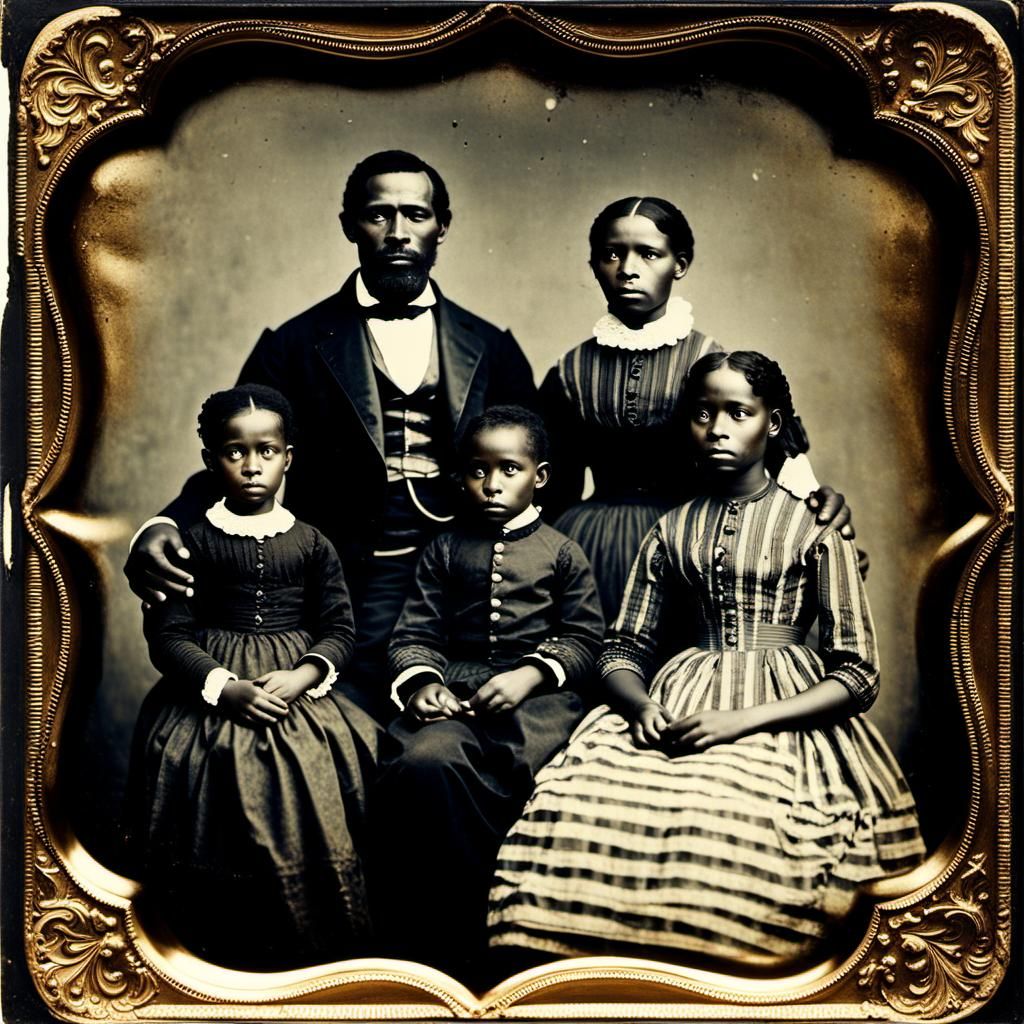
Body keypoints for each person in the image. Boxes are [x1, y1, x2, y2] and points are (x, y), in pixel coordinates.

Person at [489, 352, 925, 968]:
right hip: (680, 691)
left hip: (783, 708)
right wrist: (639, 705)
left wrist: (741, 721)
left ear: (771, 425)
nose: (717, 428)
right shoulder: (671, 529)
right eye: (702, 414)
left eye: (738, 413)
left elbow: (858, 674)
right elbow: (623, 647)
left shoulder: (814, 528)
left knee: (732, 822)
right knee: (592, 806)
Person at [124, 151, 537, 721]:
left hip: (465, 577)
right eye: (378, 215)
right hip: (351, 578)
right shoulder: (292, 345)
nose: (398, 233)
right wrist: (166, 521)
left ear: (443, 225)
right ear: (349, 225)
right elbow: (240, 450)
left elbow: (542, 475)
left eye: (416, 215)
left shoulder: (492, 346)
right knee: (352, 732)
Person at [126, 384, 379, 969]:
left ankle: (313, 945)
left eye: (266, 451)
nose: (251, 465)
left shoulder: (313, 543)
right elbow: (168, 637)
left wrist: (305, 674)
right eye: (235, 452)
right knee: (206, 773)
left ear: (288, 458)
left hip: (299, 691)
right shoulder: (190, 542)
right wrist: (223, 686)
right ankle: (214, 949)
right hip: (211, 689)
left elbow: (340, 629)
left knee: (339, 765)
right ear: (211, 460)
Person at [370, 405, 604, 981]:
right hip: (458, 693)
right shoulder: (445, 548)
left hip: (538, 704)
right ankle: (445, 928)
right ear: (459, 477)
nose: (492, 483)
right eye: (477, 470)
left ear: (539, 477)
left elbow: (583, 637)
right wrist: (424, 683)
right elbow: (415, 633)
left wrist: (531, 674)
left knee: (531, 769)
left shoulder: (562, 551)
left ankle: (511, 928)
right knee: (428, 761)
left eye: (509, 469)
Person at [540, 195, 849, 620]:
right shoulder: (569, 370)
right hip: (587, 542)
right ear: (593, 264)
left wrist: (818, 508)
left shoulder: (712, 361)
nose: (628, 269)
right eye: (611, 254)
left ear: (679, 264)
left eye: (649, 254)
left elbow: (776, 463)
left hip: (690, 540)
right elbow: (552, 484)